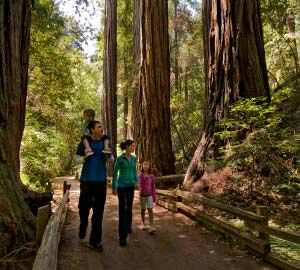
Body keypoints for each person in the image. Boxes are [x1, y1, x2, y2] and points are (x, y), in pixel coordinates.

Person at [76, 120, 110, 252]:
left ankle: (95, 240)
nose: (102, 128)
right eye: (99, 127)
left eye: (102, 126)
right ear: (92, 129)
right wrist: (84, 158)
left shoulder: (105, 142)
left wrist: (109, 156)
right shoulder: (85, 142)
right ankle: (83, 223)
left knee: (98, 212)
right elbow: (76, 159)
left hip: (101, 181)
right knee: (84, 209)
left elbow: (111, 158)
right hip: (86, 181)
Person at [112, 139, 139, 247]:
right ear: (127, 147)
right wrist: (114, 187)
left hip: (130, 186)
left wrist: (136, 181)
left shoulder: (133, 158)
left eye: (134, 146)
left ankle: (128, 226)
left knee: (130, 207)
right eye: (132, 146)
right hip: (121, 185)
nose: (133, 148)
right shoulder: (120, 158)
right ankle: (122, 237)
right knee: (122, 209)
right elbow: (115, 173)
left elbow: (134, 171)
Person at [138, 161, 157, 233]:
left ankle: (151, 226)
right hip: (142, 195)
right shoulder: (140, 175)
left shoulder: (152, 176)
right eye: (144, 164)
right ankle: (143, 223)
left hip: (149, 195)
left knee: (150, 210)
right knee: (143, 209)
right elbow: (139, 183)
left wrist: (154, 195)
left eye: (147, 165)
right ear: (142, 166)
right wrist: (142, 180)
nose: (146, 166)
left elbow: (153, 186)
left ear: (149, 166)